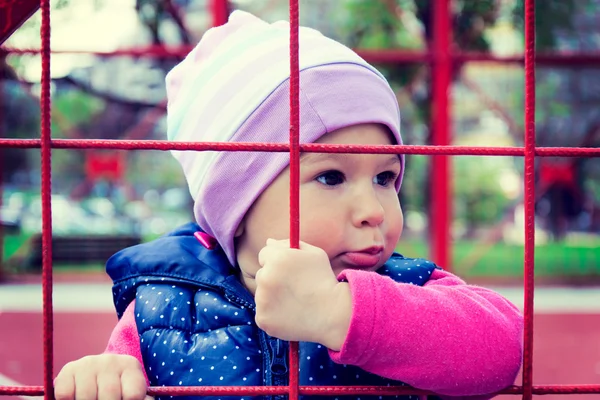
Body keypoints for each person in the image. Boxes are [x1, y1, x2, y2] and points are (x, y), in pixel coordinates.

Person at [54, 10, 523, 400]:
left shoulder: (404, 288)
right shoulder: (160, 307)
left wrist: (340, 314)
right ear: (236, 204)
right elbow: (117, 372)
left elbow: (503, 350)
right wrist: (105, 377)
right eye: (331, 177)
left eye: (385, 177)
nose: (374, 209)